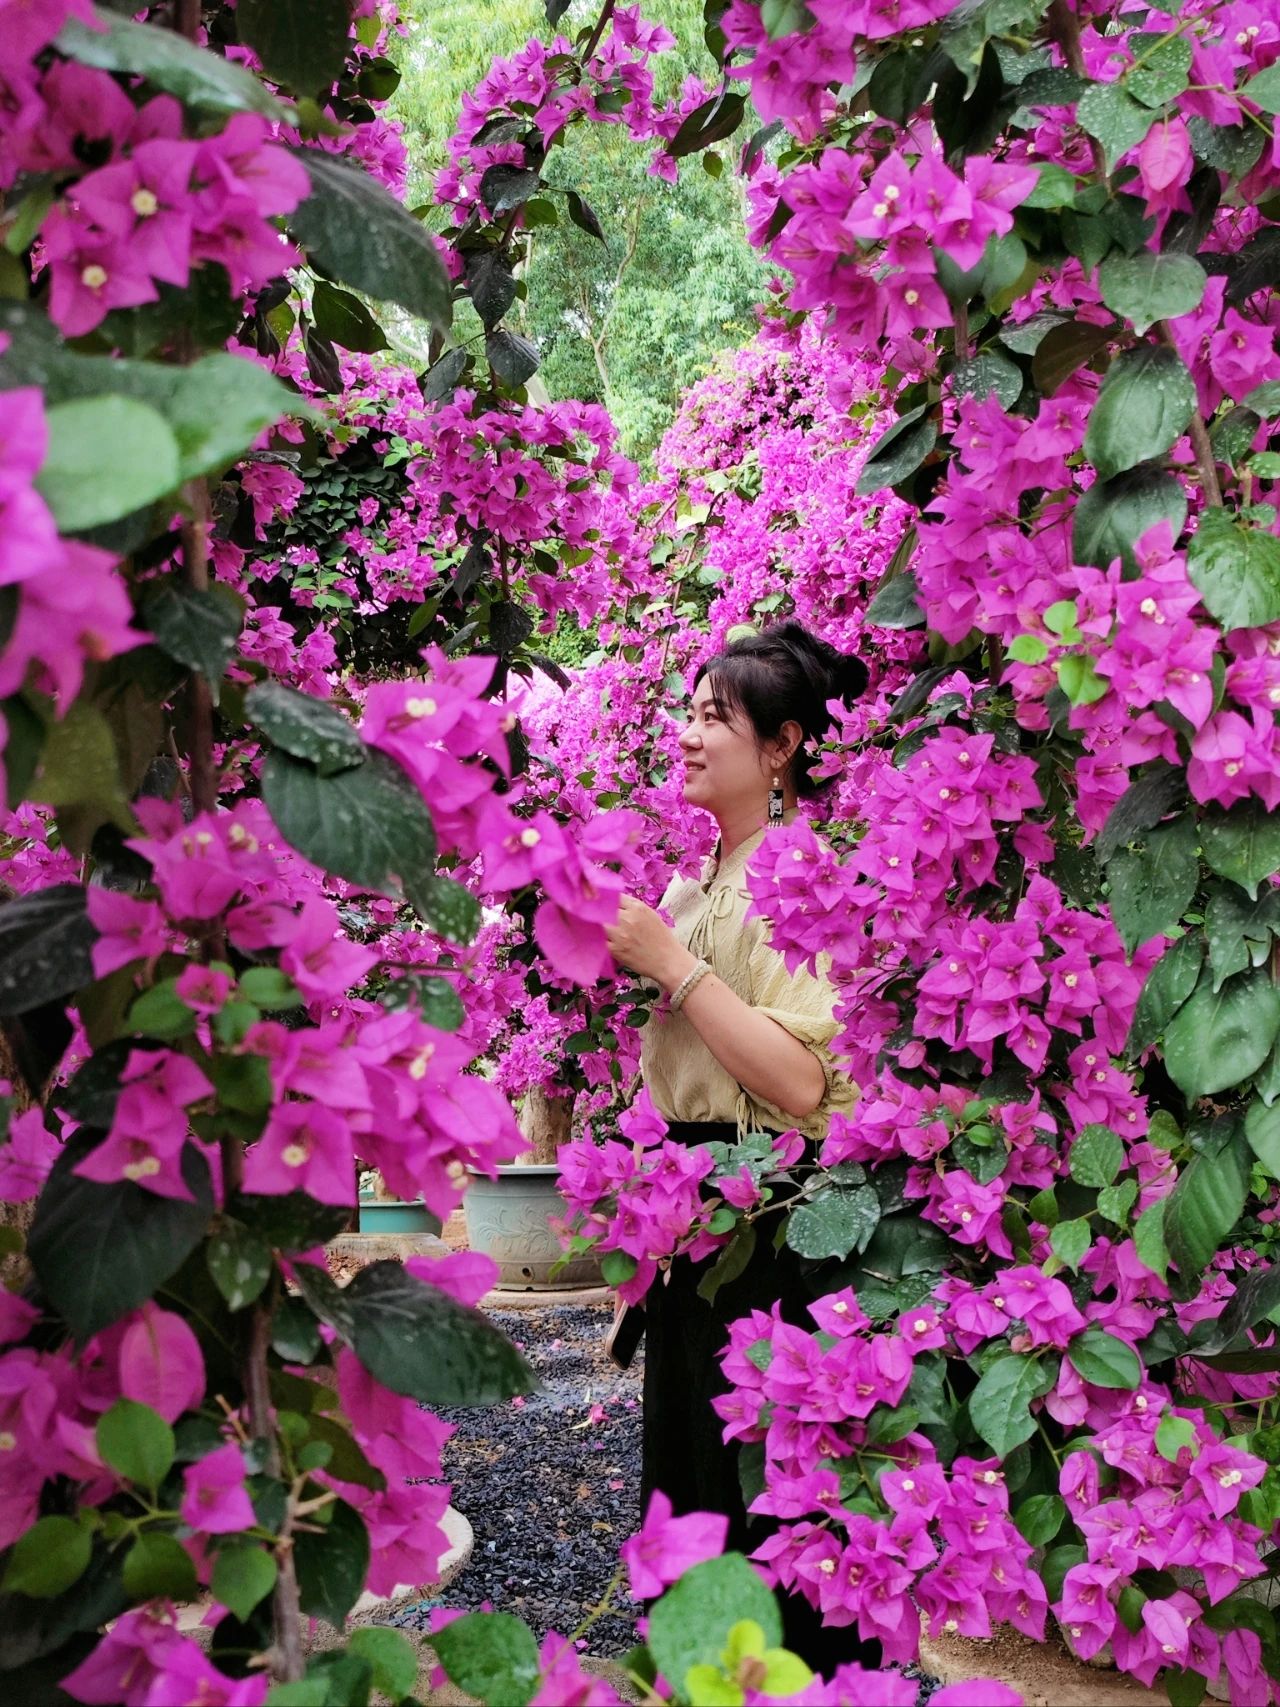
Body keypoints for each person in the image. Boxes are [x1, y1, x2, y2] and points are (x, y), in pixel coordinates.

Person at [603, 621, 876, 1670]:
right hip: (689, 1209)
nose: (685, 734)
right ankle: (695, 1675)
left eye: (713, 718)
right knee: (686, 1471)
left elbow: (802, 1082)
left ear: (781, 749)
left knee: (758, 1493)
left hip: (766, 1218)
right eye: (688, 711)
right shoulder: (690, 886)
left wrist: (673, 968)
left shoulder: (802, 873)